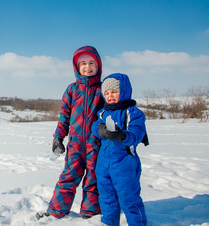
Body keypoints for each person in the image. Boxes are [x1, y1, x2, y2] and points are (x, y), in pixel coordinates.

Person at [36, 45, 104, 220]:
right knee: (68, 177)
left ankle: (90, 213)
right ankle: (56, 212)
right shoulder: (72, 90)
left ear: (98, 66)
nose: (87, 67)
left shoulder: (102, 90)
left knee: (93, 179)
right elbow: (64, 116)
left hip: (96, 144)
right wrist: (58, 137)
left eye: (91, 63)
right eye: (83, 64)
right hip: (75, 144)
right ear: (76, 67)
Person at [91, 73, 148, 226]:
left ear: (123, 91)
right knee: (106, 197)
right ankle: (109, 223)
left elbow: (137, 134)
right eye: (107, 93)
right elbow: (94, 126)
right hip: (103, 163)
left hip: (125, 163)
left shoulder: (132, 112)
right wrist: (101, 129)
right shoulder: (103, 112)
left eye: (114, 92)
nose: (110, 96)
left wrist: (122, 135)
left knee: (129, 198)